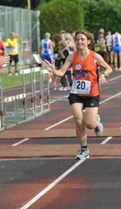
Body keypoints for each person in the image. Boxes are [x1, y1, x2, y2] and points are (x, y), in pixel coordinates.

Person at [42, 30, 112, 160]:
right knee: (78, 121)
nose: (79, 41)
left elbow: (109, 68)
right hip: (76, 93)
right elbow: (61, 73)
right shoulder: (71, 57)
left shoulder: (95, 56)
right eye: (78, 39)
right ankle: (84, 149)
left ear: (88, 42)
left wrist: (103, 74)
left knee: (89, 124)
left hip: (92, 93)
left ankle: (96, 122)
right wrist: (54, 71)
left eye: (82, 39)